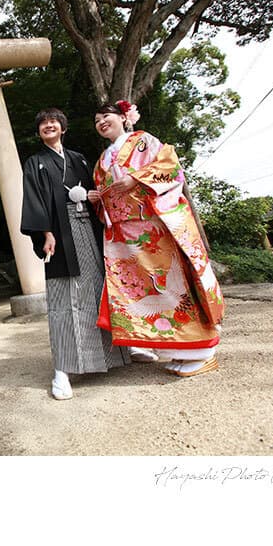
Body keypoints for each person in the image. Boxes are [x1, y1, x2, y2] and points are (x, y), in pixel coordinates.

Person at [87, 101, 224, 377]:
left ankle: (202, 351)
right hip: (127, 237)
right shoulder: (102, 160)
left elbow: (169, 166)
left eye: (106, 116)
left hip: (154, 226)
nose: (102, 122)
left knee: (173, 285)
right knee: (148, 292)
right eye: (97, 120)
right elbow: (106, 197)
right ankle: (178, 351)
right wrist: (97, 198)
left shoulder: (143, 141)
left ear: (124, 118)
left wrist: (136, 179)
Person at [21, 108, 130, 400]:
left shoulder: (80, 159)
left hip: (89, 232)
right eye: (43, 123)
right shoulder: (35, 163)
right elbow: (33, 200)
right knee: (64, 299)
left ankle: (113, 357)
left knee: (98, 291)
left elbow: (100, 190)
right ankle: (63, 369)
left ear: (63, 128)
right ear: (39, 131)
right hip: (59, 235)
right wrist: (45, 232)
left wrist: (94, 196)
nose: (48, 125)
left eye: (53, 122)